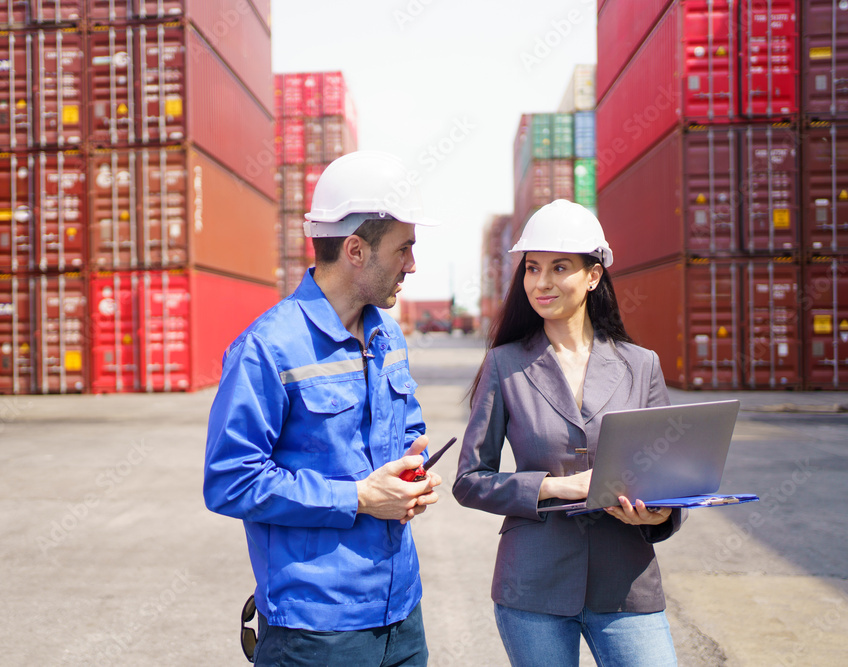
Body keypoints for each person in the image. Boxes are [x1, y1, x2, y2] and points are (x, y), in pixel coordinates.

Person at [204, 151, 443, 666]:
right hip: (315, 630)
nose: (412, 264)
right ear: (356, 249)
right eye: (404, 249)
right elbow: (230, 480)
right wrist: (358, 497)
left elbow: (410, 430)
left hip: (402, 612)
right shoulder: (268, 349)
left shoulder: (388, 336)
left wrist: (413, 476)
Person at [453, 200, 684, 666]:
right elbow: (470, 480)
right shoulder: (505, 364)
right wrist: (555, 487)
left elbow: (668, 481)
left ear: (593, 275)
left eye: (559, 268)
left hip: (626, 583)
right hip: (532, 585)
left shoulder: (641, 366)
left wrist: (658, 515)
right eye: (532, 268)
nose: (541, 283)